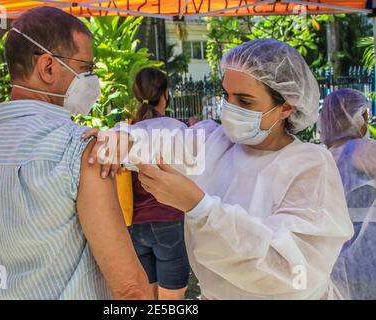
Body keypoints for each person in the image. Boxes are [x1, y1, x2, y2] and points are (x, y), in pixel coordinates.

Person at [84, 39, 354, 299]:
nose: (230, 109)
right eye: (227, 95)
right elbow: (166, 140)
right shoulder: (217, 143)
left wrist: (199, 207)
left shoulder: (310, 166)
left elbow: (288, 271)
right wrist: (125, 139)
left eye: (245, 102)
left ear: (285, 107)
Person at [0, 7, 150, 300]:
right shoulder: (80, 150)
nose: (92, 81)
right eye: (86, 69)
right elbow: (130, 289)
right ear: (48, 68)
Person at [128, 68, 190, 300]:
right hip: (169, 222)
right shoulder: (176, 129)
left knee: (147, 296)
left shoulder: (127, 130)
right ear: (165, 94)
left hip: (136, 226)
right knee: (171, 300)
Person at [319, 88, 376, 300]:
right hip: (368, 262)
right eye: (365, 116)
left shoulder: (321, 159)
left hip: (334, 267)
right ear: (356, 117)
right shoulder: (364, 151)